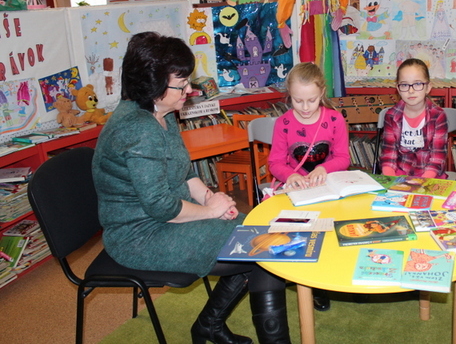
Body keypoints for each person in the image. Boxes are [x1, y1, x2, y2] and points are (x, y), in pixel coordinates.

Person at [92, 32, 291, 344]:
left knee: (256, 235)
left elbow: (183, 172)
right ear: (153, 84)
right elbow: (161, 207)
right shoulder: (138, 129)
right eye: (182, 84)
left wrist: (211, 199)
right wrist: (209, 211)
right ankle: (222, 329)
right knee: (261, 250)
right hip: (139, 236)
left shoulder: (160, 112)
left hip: (166, 219)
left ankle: (208, 326)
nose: (190, 90)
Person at [268, 62, 350, 311]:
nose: (304, 108)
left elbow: (343, 158)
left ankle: (327, 279)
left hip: (328, 186)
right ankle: (310, 284)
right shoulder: (283, 123)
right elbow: (275, 162)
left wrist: (325, 168)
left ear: (322, 93)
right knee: (301, 234)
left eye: (311, 100)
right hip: (297, 189)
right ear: (289, 95)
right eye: (297, 100)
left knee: (331, 231)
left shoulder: (334, 119)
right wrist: (290, 175)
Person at [380, 58, 448, 179]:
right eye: (404, 85)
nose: (411, 91)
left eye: (417, 84)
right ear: (398, 89)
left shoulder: (438, 116)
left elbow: (437, 158)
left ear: (428, 87)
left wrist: (422, 182)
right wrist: (390, 180)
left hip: (430, 174)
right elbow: (388, 155)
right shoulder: (391, 116)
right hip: (400, 173)